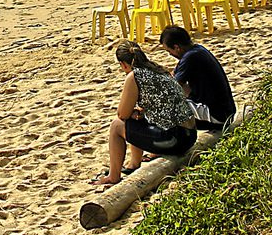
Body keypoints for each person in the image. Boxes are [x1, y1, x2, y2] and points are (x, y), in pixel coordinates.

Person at [90, 41, 197, 185]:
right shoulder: (159, 70)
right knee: (138, 120)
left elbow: (122, 114)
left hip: (174, 140)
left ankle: (113, 176)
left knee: (116, 126)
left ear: (123, 64)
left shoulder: (135, 76)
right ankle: (134, 164)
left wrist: (133, 113)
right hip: (190, 135)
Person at [159, 26, 236, 131]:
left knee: (163, 108)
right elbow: (173, 77)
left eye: (169, 51)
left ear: (177, 47)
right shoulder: (197, 49)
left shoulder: (190, 58)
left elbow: (171, 87)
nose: (170, 55)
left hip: (217, 117)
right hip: (226, 112)